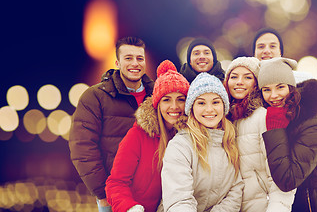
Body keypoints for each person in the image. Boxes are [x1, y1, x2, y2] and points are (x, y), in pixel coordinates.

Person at [69, 37, 155, 212]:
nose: (135, 63)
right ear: (117, 62)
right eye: (128, 58)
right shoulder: (94, 97)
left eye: (139, 58)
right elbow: (82, 148)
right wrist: (102, 193)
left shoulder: (156, 97)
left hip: (154, 194)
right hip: (114, 196)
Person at [258, 57, 317, 211]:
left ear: (291, 88)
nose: (274, 95)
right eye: (266, 90)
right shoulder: (284, 114)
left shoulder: (315, 123)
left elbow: (287, 179)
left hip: (314, 204)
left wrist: (274, 129)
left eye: (280, 87)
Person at [105, 60, 190, 212]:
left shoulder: (189, 137)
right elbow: (116, 183)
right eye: (166, 100)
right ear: (157, 104)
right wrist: (130, 207)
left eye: (180, 99)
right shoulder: (138, 136)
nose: (174, 107)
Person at [161, 72, 243, 212]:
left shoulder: (230, 141)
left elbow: (235, 192)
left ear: (224, 106)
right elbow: (179, 200)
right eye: (201, 103)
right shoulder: (180, 146)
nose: (209, 109)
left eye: (216, 102)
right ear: (192, 108)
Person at [224, 57, 296, 211]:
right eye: (234, 76)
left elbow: (280, 176)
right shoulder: (224, 121)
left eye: (247, 77)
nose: (239, 82)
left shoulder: (264, 117)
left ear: (256, 84)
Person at [252, 27, 317, 133]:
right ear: (254, 53)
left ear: (280, 52)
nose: (266, 50)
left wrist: (311, 143)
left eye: (272, 46)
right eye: (261, 47)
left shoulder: (303, 79)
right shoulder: (248, 84)